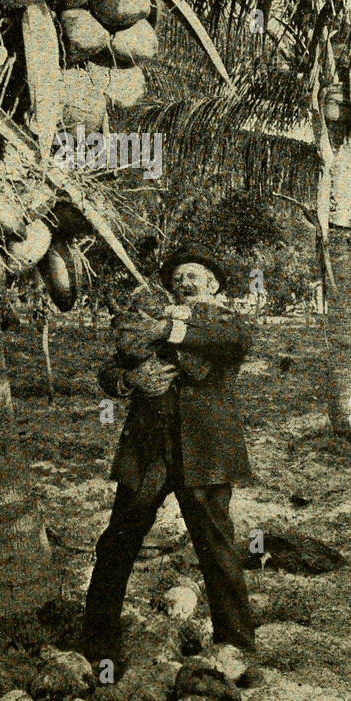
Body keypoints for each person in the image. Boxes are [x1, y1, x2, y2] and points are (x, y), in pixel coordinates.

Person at [82, 248, 256, 665]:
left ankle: (237, 648)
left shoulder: (223, 320)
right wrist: (130, 378)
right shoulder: (152, 323)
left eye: (194, 274)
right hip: (148, 452)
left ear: (213, 285)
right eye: (178, 277)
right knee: (118, 541)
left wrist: (164, 329)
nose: (184, 282)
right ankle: (97, 644)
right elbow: (108, 371)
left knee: (216, 546)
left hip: (204, 454)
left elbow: (233, 341)